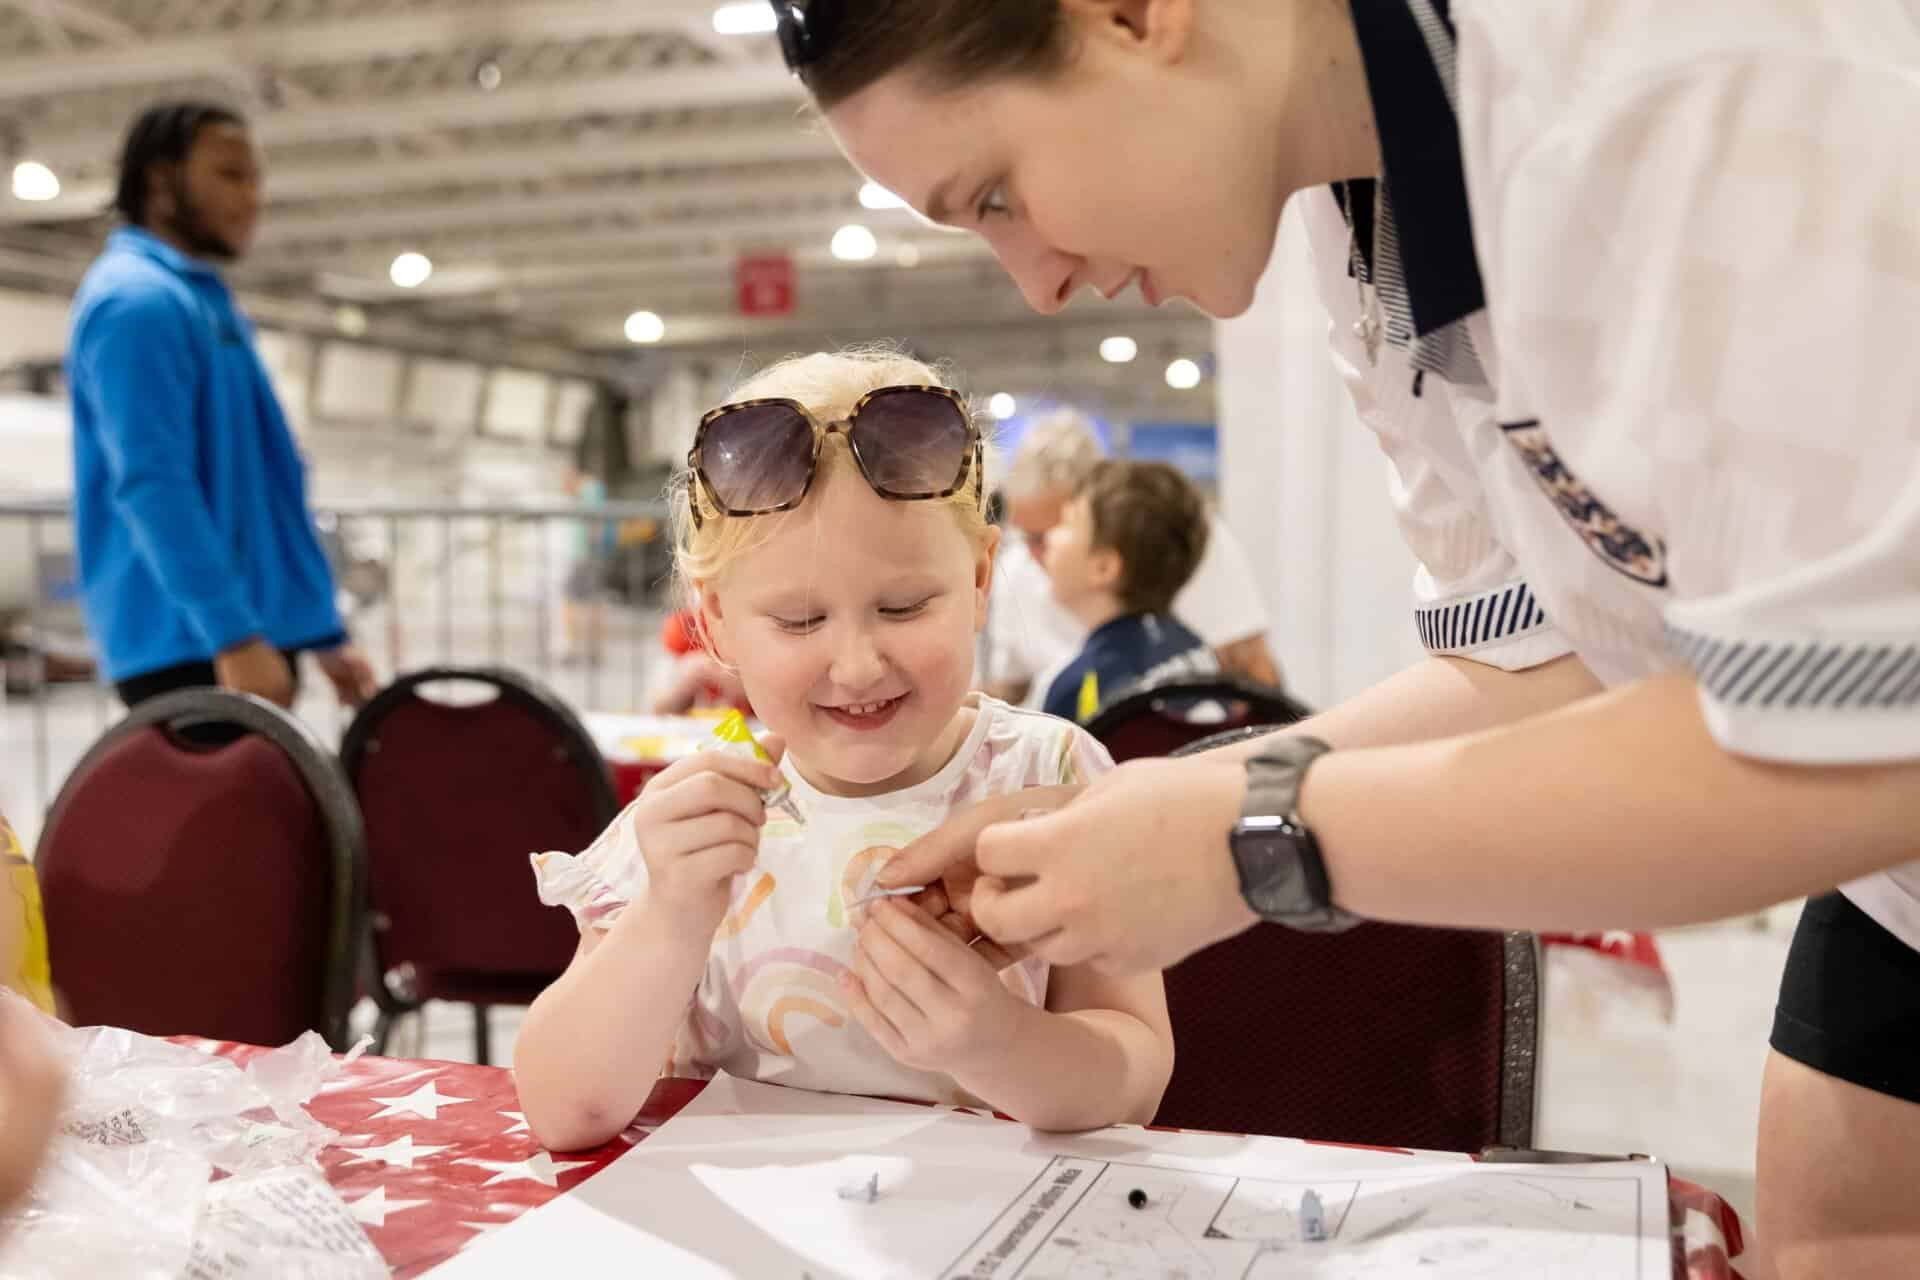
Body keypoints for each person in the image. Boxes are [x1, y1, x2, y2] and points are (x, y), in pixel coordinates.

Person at [780, 2, 1920, 1273]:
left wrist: (1255, 839)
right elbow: (1541, 654)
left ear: (1133, 15)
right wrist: (1170, 799)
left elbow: (1879, 737)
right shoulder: (1358, 223)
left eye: (997, 193)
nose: (1035, 278)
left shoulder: (1680, 84)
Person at [514, 350, 1172, 1151]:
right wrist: (670, 916)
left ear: (978, 577)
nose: (857, 665)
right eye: (798, 622)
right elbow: (560, 1108)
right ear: (716, 623)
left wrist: (999, 1043)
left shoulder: (1051, 779)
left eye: (902, 606)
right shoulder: (694, 816)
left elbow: (1136, 1076)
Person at [67, 101, 375, 711]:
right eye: (230, 175)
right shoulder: (137, 303)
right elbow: (154, 484)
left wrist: (320, 630)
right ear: (160, 180)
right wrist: (231, 633)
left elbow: (269, 490)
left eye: (255, 178)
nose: (252, 197)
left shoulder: (203, 303)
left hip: (241, 632)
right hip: (193, 642)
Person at [985, 408, 1278, 703]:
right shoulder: (1016, 569)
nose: (1037, 554)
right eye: (1026, 537)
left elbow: (1253, 670)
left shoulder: (1175, 540)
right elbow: (1012, 687)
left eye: (1055, 531)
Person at [1039, 460, 1217, 722]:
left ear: (1103, 568)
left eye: (1067, 523)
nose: (1049, 537)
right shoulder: (1199, 650)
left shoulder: (1078, 687)